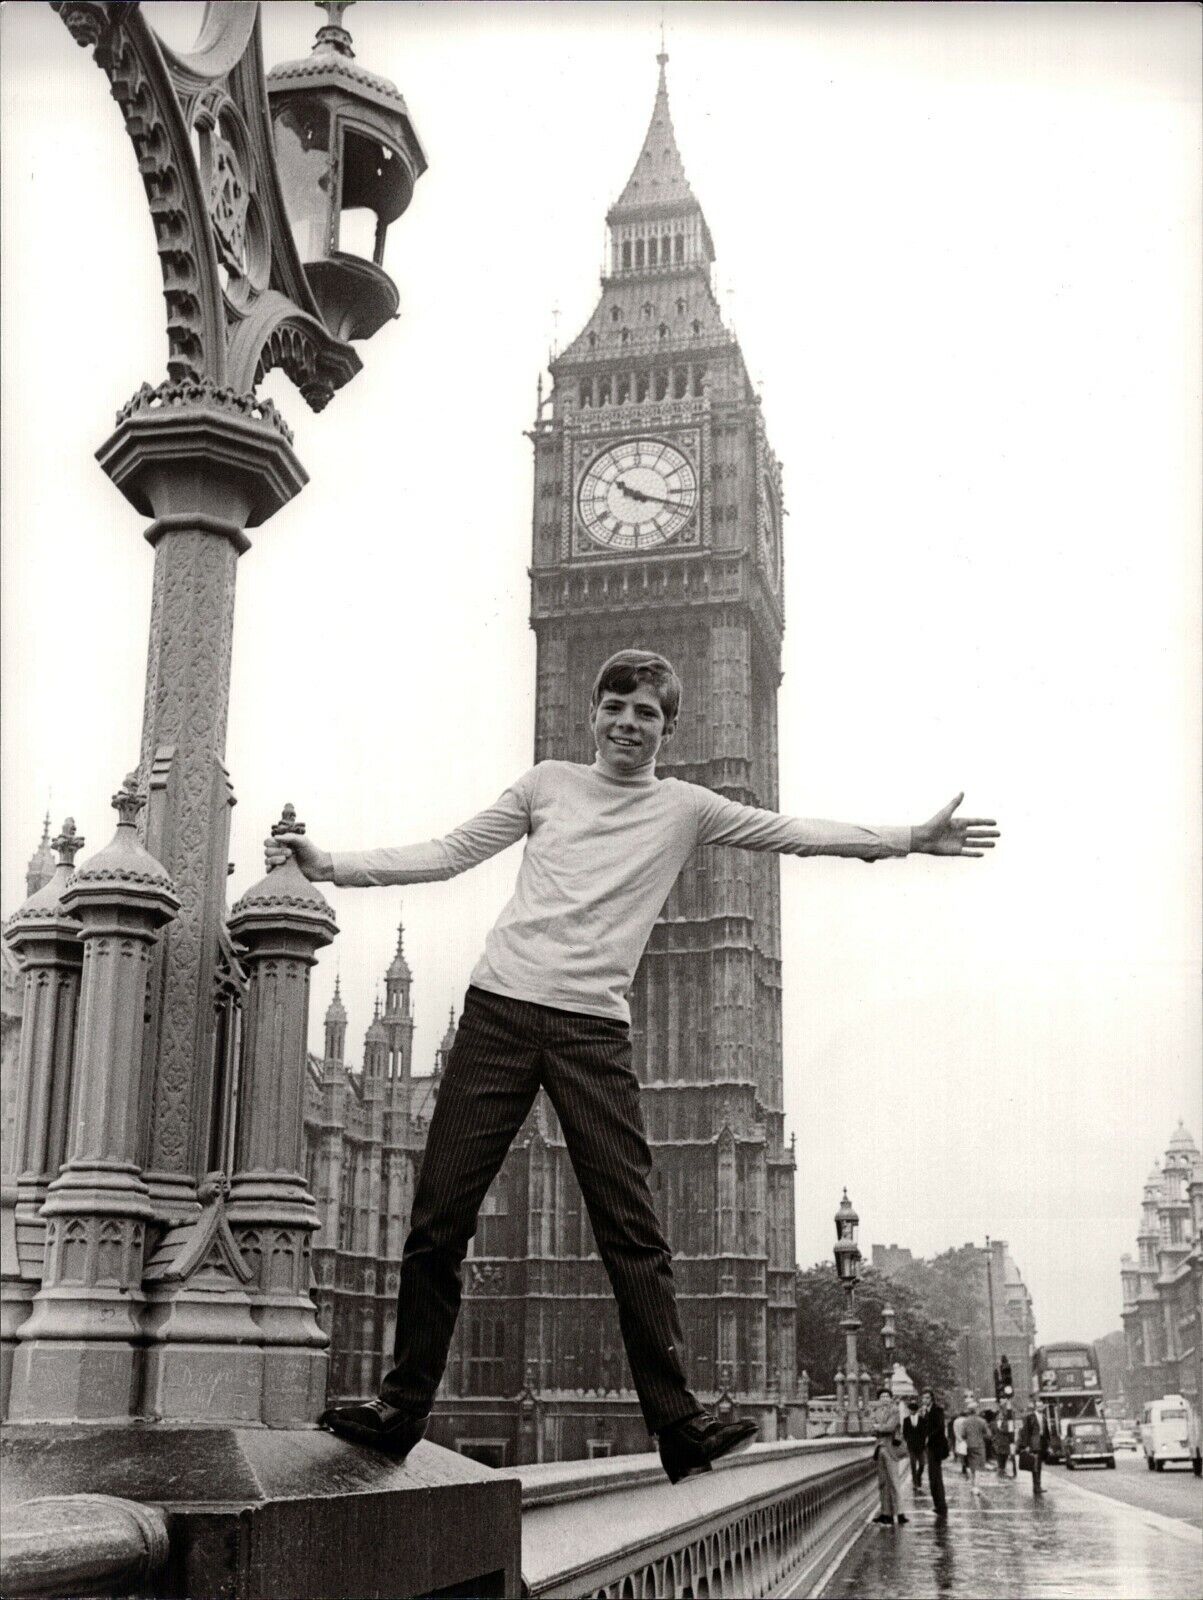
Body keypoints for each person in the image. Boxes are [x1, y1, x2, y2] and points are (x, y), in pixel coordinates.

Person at [266, 649, 998, 1483]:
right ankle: (401, 1409)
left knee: (633, 1231)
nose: (626, 722)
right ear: (593, 714)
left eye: (645, 712)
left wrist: (908, 838)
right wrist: (330, 866)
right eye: (615, 705)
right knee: (438, 1222)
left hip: (591, 1031)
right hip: (498, 1013)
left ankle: (677, 1422)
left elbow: (793, 833)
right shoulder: (545, 784)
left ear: (668, 729)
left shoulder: (686, 807)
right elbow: (447, 852)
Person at [869, 1389, 908, 1526]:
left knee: (894, 1481)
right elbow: (871, 1428)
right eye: (882, 1396)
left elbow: (890, 1427)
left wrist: (877, 1427)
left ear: (891, 1398)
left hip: (891, 1448)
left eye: (887, 1396)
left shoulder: (895, 1410)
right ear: (879, 1399)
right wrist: (878, 1427)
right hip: (879, 1448)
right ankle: (886, 1513)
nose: (884, 1398)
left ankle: (900, 1513)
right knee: (883, 1482)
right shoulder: (876, 1411)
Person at [920, 1387, 949, 1518]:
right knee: (933, 1476)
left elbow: (939, 1427)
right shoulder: (925, 1411)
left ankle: (941, 1505)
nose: (924, 1400)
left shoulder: (937, 1410)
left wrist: (928, 1437)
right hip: (930, 1447)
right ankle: (938, 1504)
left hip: (936, 1447)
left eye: (927, 1398)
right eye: (923, 1398)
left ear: (931, 1398)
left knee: (936, 1476)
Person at [961, 1398, 991, 1496]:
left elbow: (962, 1435)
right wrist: (981, 1436)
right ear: (976, 1410)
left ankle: (973, 1486)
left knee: (972, 1466)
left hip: (969, 1446)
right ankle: (976, 1487)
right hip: (980, 1445)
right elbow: (988, 1434)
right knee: (978, 1467)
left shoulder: (965, 1422)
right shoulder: (982, 1421)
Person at [1017, 1399, 1046, 1496]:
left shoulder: (1044, 1417)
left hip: (1042, 1444)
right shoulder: (1030, 1417)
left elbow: (1046, 1433)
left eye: (1041, 1406)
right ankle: (1036, 1486)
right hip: (1034, 1445)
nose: (1040, 1408)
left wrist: (1048, 1445)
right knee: (1035, 1465)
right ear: (1035, 1407)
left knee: (1039, 1466)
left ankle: (1038, 1485)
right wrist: (1027, 1445)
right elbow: (1026, 1432)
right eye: (1038, 1406)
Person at [902, 1396, 927, 1490]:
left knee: (922, 1464)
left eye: (913, 1409)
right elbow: (904, 1432)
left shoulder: (922, 1420)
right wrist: (908, 1440)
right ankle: (915, 1482)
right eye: (910, 1409)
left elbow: (924, 1432)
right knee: (912, 1464)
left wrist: (923, 1442)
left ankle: (918, 1476)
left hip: (920, 1446)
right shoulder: (906, 1420)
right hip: (911, 1446)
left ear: (916, 1410)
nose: (911, 1411)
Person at [952, 1408, 970, 1474]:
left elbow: (954, 1430)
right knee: (966, 1453)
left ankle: (963, 1467)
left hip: (958, 1439)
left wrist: (958, 1438)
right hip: (966, 1439)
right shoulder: (967, 1420)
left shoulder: (956, 1421)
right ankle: (966, 1467)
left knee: (961, 1454)